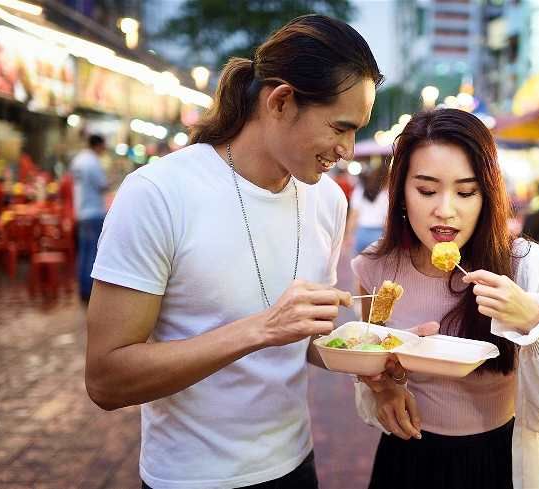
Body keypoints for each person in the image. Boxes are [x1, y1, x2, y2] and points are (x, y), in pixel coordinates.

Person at [85, 15, 383, 489]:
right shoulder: (159, 192)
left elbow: (303, 337)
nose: (346, 150)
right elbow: (105, 379)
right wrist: (262, 328)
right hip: (188, 478)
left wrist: (379, 357)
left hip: (296, 464)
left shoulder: (328, 200)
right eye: (340, 128)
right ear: (281, 101)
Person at [351, 109, 539, 489]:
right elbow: (369, 354)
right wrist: (384, 387)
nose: (446, 209)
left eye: (466, 192)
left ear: (486, 196)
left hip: (493, 457)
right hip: (404, 456)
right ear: (400, 192)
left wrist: (534, 323)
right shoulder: (376, 267)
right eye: (426, 189)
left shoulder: (523, 266)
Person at [71, 133, 108, 302]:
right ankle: (88, 291)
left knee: (83, 252)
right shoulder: (93, 162)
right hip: (93, 211)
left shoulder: (78, 160)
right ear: (98, 145)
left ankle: (82, 288)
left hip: (80, 211)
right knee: (93, 252)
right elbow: (102, 185)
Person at [349, 163, 389, 254]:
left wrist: (348, 234)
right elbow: (388, 219)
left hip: (361, 232)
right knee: (376, 267)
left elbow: (354, 215)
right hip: (379, 234)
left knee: (357, 266)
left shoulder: (360, 190)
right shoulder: (387, 194)